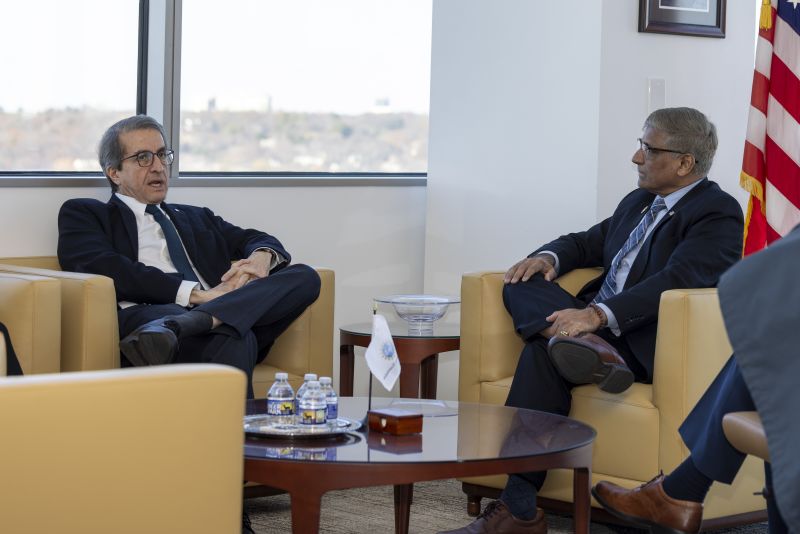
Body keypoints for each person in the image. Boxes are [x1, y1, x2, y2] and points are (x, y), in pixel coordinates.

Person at [440, 107, 744, 534]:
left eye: (648, 148)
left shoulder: (717, 213)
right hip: (594, 334)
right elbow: (586, 243)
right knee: (518, 280)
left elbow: (681, 279)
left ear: (684, 163)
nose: (636, 158)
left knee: (541, 355)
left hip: (637, 339)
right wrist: (547, 257)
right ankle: (573, 345)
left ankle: (519, 509)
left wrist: (597, 315)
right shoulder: (639, 202)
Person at [57, 115, 321, 401]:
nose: (159, 167)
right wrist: (196, 296)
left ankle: (203, 321)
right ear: (114, 173)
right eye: (143, 158)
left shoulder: (197, 216)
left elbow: (255, 238)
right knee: (235, 336)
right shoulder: (86, 213)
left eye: (162, 155)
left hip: (197, 324)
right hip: (152, 322)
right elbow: (103, 266)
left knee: (305, 276)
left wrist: (261, 258)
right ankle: (242, 441)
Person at [592, 223, 800, 534]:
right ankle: (679, 492)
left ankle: (680, 492)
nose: (639, 169)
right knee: (775, 352)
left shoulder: (714, 209)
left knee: (772, 355)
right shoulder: (635, 205)